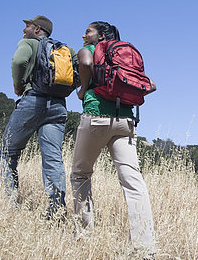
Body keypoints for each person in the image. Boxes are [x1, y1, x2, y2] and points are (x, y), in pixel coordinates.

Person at [70, 21, 156, 256]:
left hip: (96, 117)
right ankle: (144, 247)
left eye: (88, 31)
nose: (83, 34)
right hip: (125, 121)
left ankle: (84, 237)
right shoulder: (125, 55)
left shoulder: (89, 50)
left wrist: (84, 89)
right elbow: (150, 84)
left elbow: (86, 63)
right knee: (133, 182)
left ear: (101, 35)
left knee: (80, 173)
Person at [0, 15, 76, 219]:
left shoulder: (29, 43)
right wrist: (70, 89)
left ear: (38, 30)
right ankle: (56, 209)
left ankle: (8, 204)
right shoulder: (65, 49)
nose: (24, 30)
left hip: (32, 101)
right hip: (58, 106)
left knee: (8, 152)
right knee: (53, 158)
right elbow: (82, 68)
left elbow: (18, 60)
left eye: (28, 27)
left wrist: (18, 84)